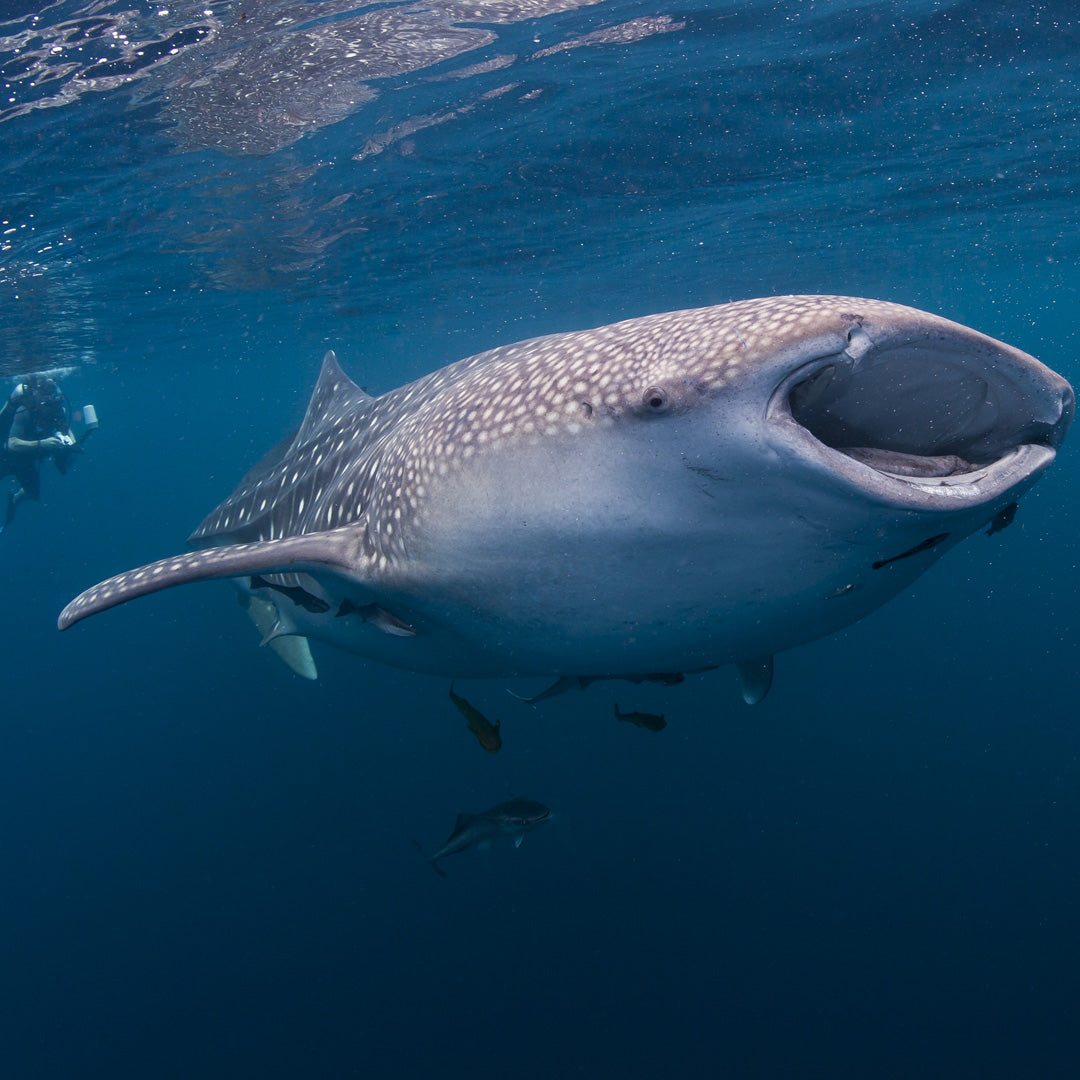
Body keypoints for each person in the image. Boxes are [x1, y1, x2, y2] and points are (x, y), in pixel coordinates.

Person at [0, 375, 80, 532]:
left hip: (26, 460)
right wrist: (42, 444)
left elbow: (65, 430)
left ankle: (14, 499)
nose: (53, 408)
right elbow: (11, 444)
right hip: (6, 457)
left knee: (32, 493)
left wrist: (70, 444)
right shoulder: (26, 408)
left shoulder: (58, 409)